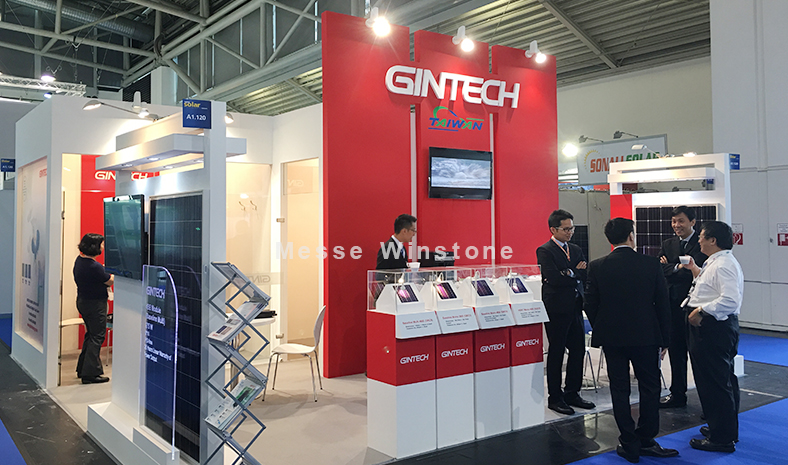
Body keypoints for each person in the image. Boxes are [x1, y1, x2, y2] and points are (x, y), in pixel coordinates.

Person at [585, 218, 677, 463]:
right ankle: (646, 439)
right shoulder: (650, 264)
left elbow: (590, 303)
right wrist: (665, 338)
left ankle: (628, 441)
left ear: (609, 239)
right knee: (650, 387)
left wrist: (602, 327)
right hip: (646, 336)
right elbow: (663, 304)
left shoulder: (597, 266)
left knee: (619, 388)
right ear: (631, 236)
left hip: (613, 338)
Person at [682, 221, 743, 453]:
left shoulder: (724, 264)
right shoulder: (716, 261)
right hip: (712, 327)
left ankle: (722, 437)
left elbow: (730, 300)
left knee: (715, 383)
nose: (699, 240)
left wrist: (702, 311)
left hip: (713, 328)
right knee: (719, 380)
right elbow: (710, 287)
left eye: (702, 236)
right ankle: (722, 427)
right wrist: (695, 270)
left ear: (713, 240)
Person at [536, 209, 595, 415]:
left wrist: (569, 272)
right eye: (566, 229)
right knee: (557, 351)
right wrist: (573, 272)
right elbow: (553, 278)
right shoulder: (545, 250)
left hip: (576, 305)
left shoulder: (576, 249)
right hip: (556, 308)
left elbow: (584, 273)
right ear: (553, 229)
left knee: (578, 350)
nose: (570, 232)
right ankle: (555, 397)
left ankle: (572, 392)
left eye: (572, 228)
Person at [658, 206, 708, 408]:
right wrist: (679, 267)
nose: (676, 225)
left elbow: (696, 272)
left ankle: (707, 401)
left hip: (695, 306)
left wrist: (672, 268)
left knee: (699, 356)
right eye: (673, 221)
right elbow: (660, 268)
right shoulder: (668, 244)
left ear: (692, 222)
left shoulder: (702, 244)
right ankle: (677, 394)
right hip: (673, 307)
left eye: (681, 221)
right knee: (676, 352)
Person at [73, 233, 114, 384]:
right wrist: (114, 274)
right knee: (97, 336)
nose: (103, 247)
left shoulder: (80, 261)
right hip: (95, 304)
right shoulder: (94, 266)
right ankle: (90, 373)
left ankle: (83, 369)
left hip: (84, 302)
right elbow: (109, 281)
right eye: (101, 244)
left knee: (91, 335)